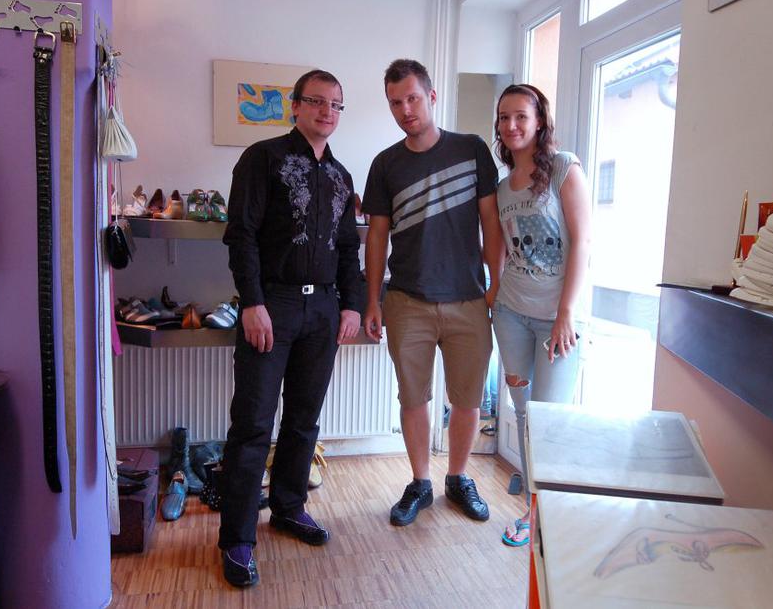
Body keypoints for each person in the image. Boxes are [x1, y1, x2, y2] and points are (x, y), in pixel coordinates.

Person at [217, 69, 363, 587]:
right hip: (272, 304)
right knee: (253, 422)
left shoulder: (342, 177)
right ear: (295, 106)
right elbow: (241, 235)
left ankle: (288, 506)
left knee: (303, 419)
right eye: (317, 101)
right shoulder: (262, 158)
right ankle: (236, 538)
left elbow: (348, 249)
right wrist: (252, 302)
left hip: (323, 309)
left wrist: (351, 306)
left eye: (336, 105)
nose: (327, 112)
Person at [362, 59, 502, 527]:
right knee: (412, 398)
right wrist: (372, 300)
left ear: (432, 96)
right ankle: (420, 483)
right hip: (407, 300)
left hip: (469, 298)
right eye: (395, 103)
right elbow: (376, 236)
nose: (405, 109)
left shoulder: (471, 149)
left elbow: (490, 222)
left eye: (413, 98)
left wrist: (496, 285)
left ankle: (458, 478)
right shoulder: (385, 164)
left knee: (467, 399)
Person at [490, 84, 591, 547]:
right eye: (504, 117)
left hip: (558, 320)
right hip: (511, 312)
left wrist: (566, 313)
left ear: (539, 122)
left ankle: (552, 511)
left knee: (553, 420)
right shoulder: (502, 187)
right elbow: (500, 248)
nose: (511, 125)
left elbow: (583, 242)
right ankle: (534, 512)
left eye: (521, 117)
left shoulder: (565, 168)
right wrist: (493, 292)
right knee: (525, 415)